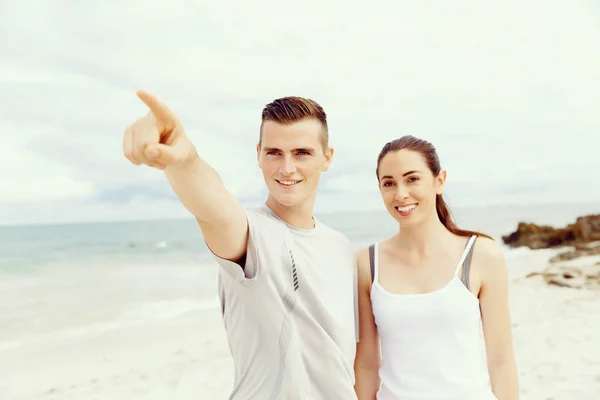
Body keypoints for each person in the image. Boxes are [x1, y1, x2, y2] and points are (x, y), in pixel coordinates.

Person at [122, 90, 358, 399]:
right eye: (274, 153)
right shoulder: (251, 234)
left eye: (302, 153)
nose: (287, 168)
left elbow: (346, 364)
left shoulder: (340, 247)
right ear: (258, 154)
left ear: (327, 158)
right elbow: (214, 209)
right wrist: (184, 159)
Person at [353, 135, 519, 400]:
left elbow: (501, 361)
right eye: (389, 183)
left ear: (439, 181)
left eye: (412, 179)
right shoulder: (366, 264)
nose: (400, 194)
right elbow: (366, 365)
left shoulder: (480, 255)